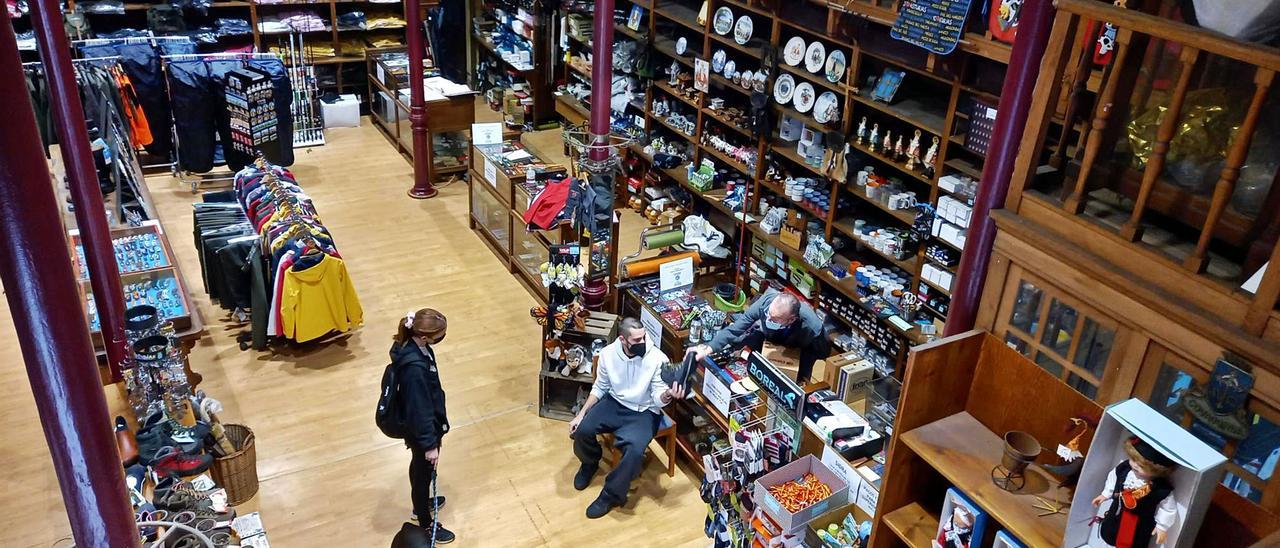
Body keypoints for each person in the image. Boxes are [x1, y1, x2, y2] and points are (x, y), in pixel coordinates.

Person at [569, 318, 686, 519]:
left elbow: (658, 397)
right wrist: (581, 414)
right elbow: (600, 387)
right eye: (637, 339)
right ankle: (589, 462)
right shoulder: (607, 354)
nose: (643, 342)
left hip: (644, 411)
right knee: (583, 431)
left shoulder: (658, 359)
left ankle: (611, 495)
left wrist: (668, 394)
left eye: (644, 337)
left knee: (634, 452)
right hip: (614, 402)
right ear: (623, 339)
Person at [391, 309, 454, 544]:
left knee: (420, 471)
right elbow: (420, 409)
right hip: (421, 431)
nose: (442, 337)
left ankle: (422, 504)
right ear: (426, 336)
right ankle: (425, 521)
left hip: (425, 426)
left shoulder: (417, 348)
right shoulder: (414, 368)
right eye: (441, 334)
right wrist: (430, 445)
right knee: (422, 474)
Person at [690, 289, 829, 383]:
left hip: (803, 345)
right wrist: (709, 348)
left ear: (791, 319)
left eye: (774, 319)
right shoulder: (765, 304)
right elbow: (735, 329)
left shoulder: (811, 326)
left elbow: (816, 353)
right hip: (771, 335)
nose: (768, 318)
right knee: (743, 343)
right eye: (768, 314)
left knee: (795, 379)